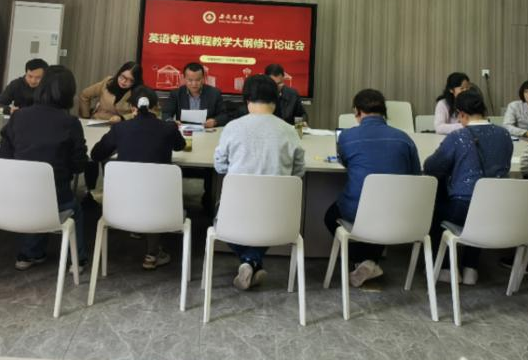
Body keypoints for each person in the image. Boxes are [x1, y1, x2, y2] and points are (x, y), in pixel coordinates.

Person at [213, 75, 306, 290]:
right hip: (277, 216)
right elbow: (298, 172)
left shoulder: (232, 128)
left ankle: (248, 260)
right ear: (276, 99)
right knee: (266, 220)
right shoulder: (289, 131)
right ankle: (252, 262)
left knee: (218, 214)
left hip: (236, 214)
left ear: (247, 99)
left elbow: (220, 166)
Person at [324, 89, 420, 287]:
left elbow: (346, 162)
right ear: (384, 112)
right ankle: (369, 261)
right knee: (385, 206)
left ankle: (361, 258)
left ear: (357, 111)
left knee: (331, 216)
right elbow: (415, 175)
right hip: (398, 211)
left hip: (359, 211)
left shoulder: (347, 137)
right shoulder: (404, 138)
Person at [0, 65, 90, 270]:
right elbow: (79, 165)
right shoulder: (70, 123)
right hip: (54, 195)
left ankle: (29, 253)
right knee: (73, 208)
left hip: (16, 194)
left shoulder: (18, 117)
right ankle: (78, 259)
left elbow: (4, 156)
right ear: (69, 93)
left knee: (36, 194)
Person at [90, 87, 185, 270]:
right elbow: (180, 146)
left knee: (140, 192)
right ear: (156, 107)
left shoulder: (120, 129)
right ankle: (152, 253)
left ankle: (135, 228)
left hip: (121, 206)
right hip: (160, 207)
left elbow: (96, 154)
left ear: (132, 108)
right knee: (152, 196)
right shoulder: (168, 128)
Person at [423, 88, 511, 285]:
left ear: (461, 114)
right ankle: (471, 267)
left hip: (463, 206)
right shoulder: (504, 135)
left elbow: (432, 167)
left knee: (436, 212)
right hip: (497, 207)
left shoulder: (458, 136)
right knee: (480, 211)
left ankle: (446, 268)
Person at [164, 62, 232, 128]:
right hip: (184, 131)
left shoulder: (214, 93)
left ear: (203, 79)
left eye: (198, 80)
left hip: (206, 131)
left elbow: (224, 115)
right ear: (184, 79)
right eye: (190, 80)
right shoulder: (176, 94)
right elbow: (166, 114)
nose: (194, 84)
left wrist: (215, 121)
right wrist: (171, 122)